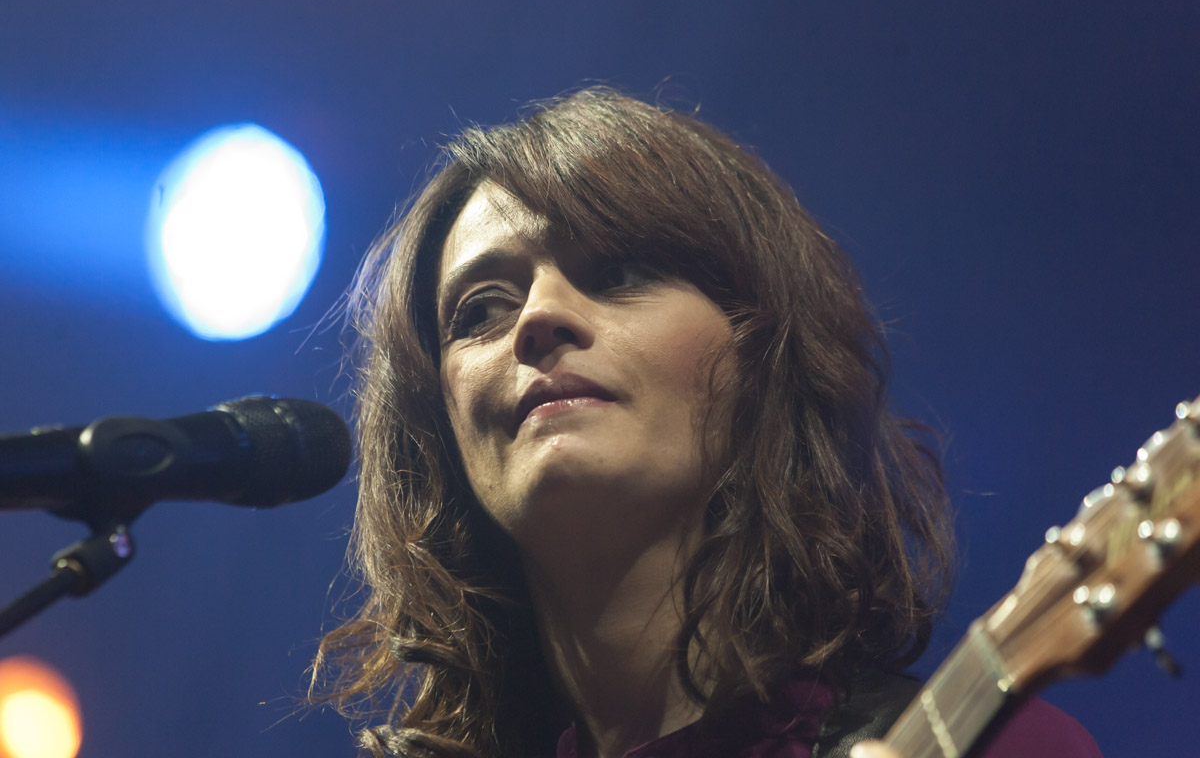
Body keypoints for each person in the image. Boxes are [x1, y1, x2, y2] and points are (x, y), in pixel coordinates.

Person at [310, 88, 1100, 758]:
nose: (537, 318)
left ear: (766, 355)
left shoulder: (1001, 744)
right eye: (481, 309)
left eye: (618, 272)